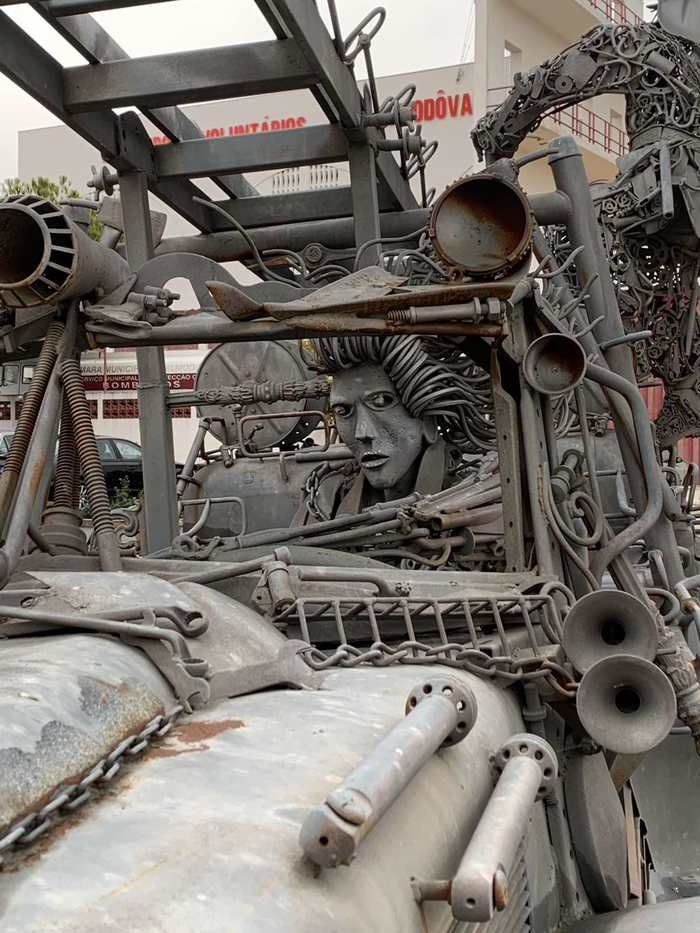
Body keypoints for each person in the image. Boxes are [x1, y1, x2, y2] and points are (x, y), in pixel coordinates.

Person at [471, 0, 700, 445]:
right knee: (669, 288)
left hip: (661, 193)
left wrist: (498, 134)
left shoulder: (645, 47)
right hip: (676, 216)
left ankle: (575, 359)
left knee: (574, 225)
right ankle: (681, 382)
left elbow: (567, 73)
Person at [294, 334, 496, 523]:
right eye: (343, 410)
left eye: (381, 401)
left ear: (427, 420)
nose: (362, 432)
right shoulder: (326, 498)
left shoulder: (482, 503)